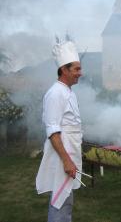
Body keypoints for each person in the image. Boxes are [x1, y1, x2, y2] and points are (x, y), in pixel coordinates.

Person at [36, 40, 83, 222]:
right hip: (62, 157)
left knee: (66, 202)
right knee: (61, 201)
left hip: (70, 154)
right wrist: (67, 161)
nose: (80, 73)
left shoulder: (68, 92)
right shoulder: (55, 93)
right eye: (76, 69)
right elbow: (53, 131)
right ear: (64, 69)